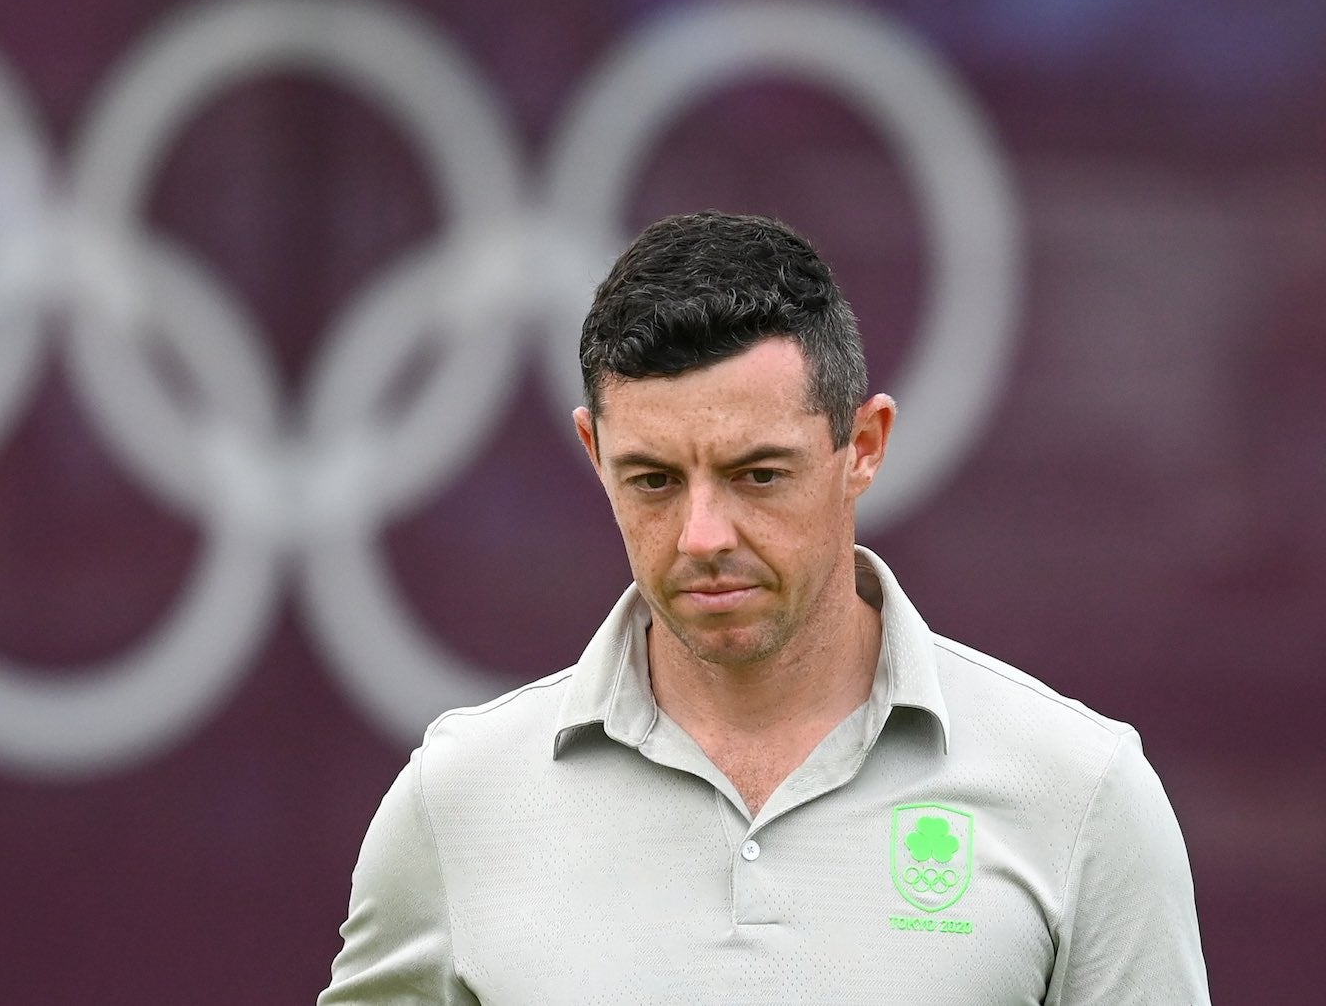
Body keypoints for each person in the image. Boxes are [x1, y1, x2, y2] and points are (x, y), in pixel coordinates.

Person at [319, 211, 1208, 1004]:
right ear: (594, 454)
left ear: (863, 446)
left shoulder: (1082, 795)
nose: (703, 533)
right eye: (654, 480)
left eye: (759, 474)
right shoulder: (459, 800)